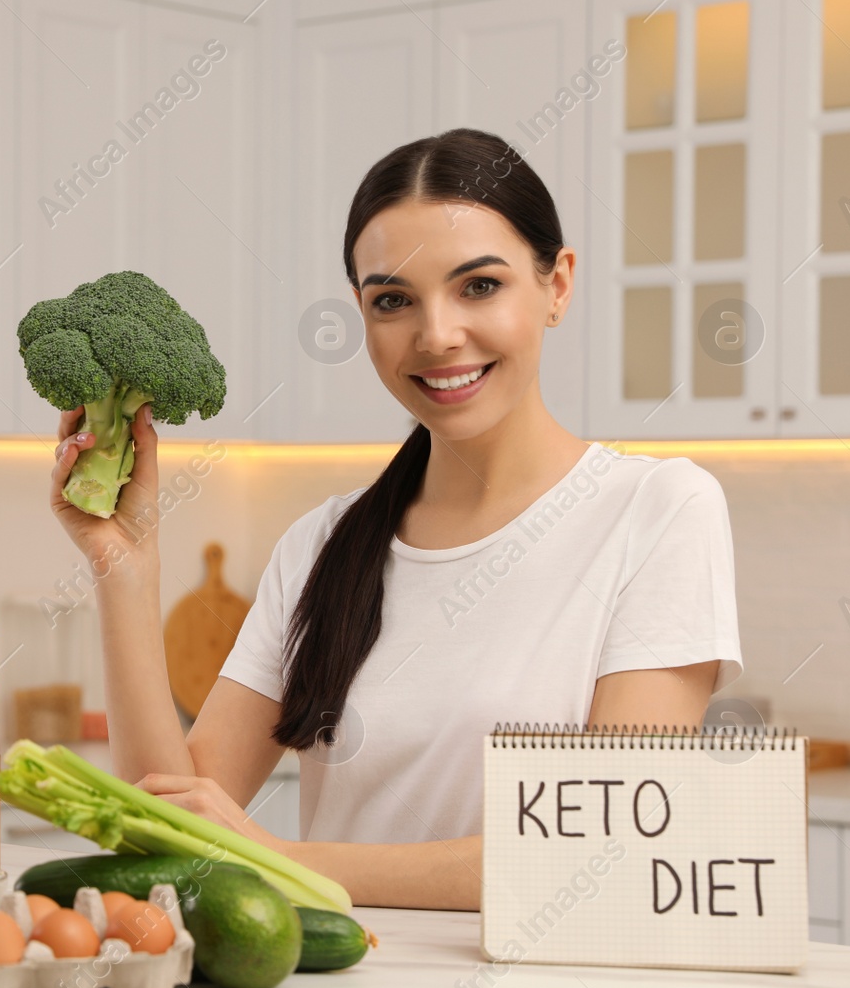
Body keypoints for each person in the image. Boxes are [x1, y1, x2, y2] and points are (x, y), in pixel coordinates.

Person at [46, 128, 742, 909]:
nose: (437, 333)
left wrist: (279, 859)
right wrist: (123, 568)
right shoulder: (321, 544)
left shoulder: (659, 511)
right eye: (394, 300)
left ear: (558, 285)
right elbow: (164, 830)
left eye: (479, 286)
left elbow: (604, 848)